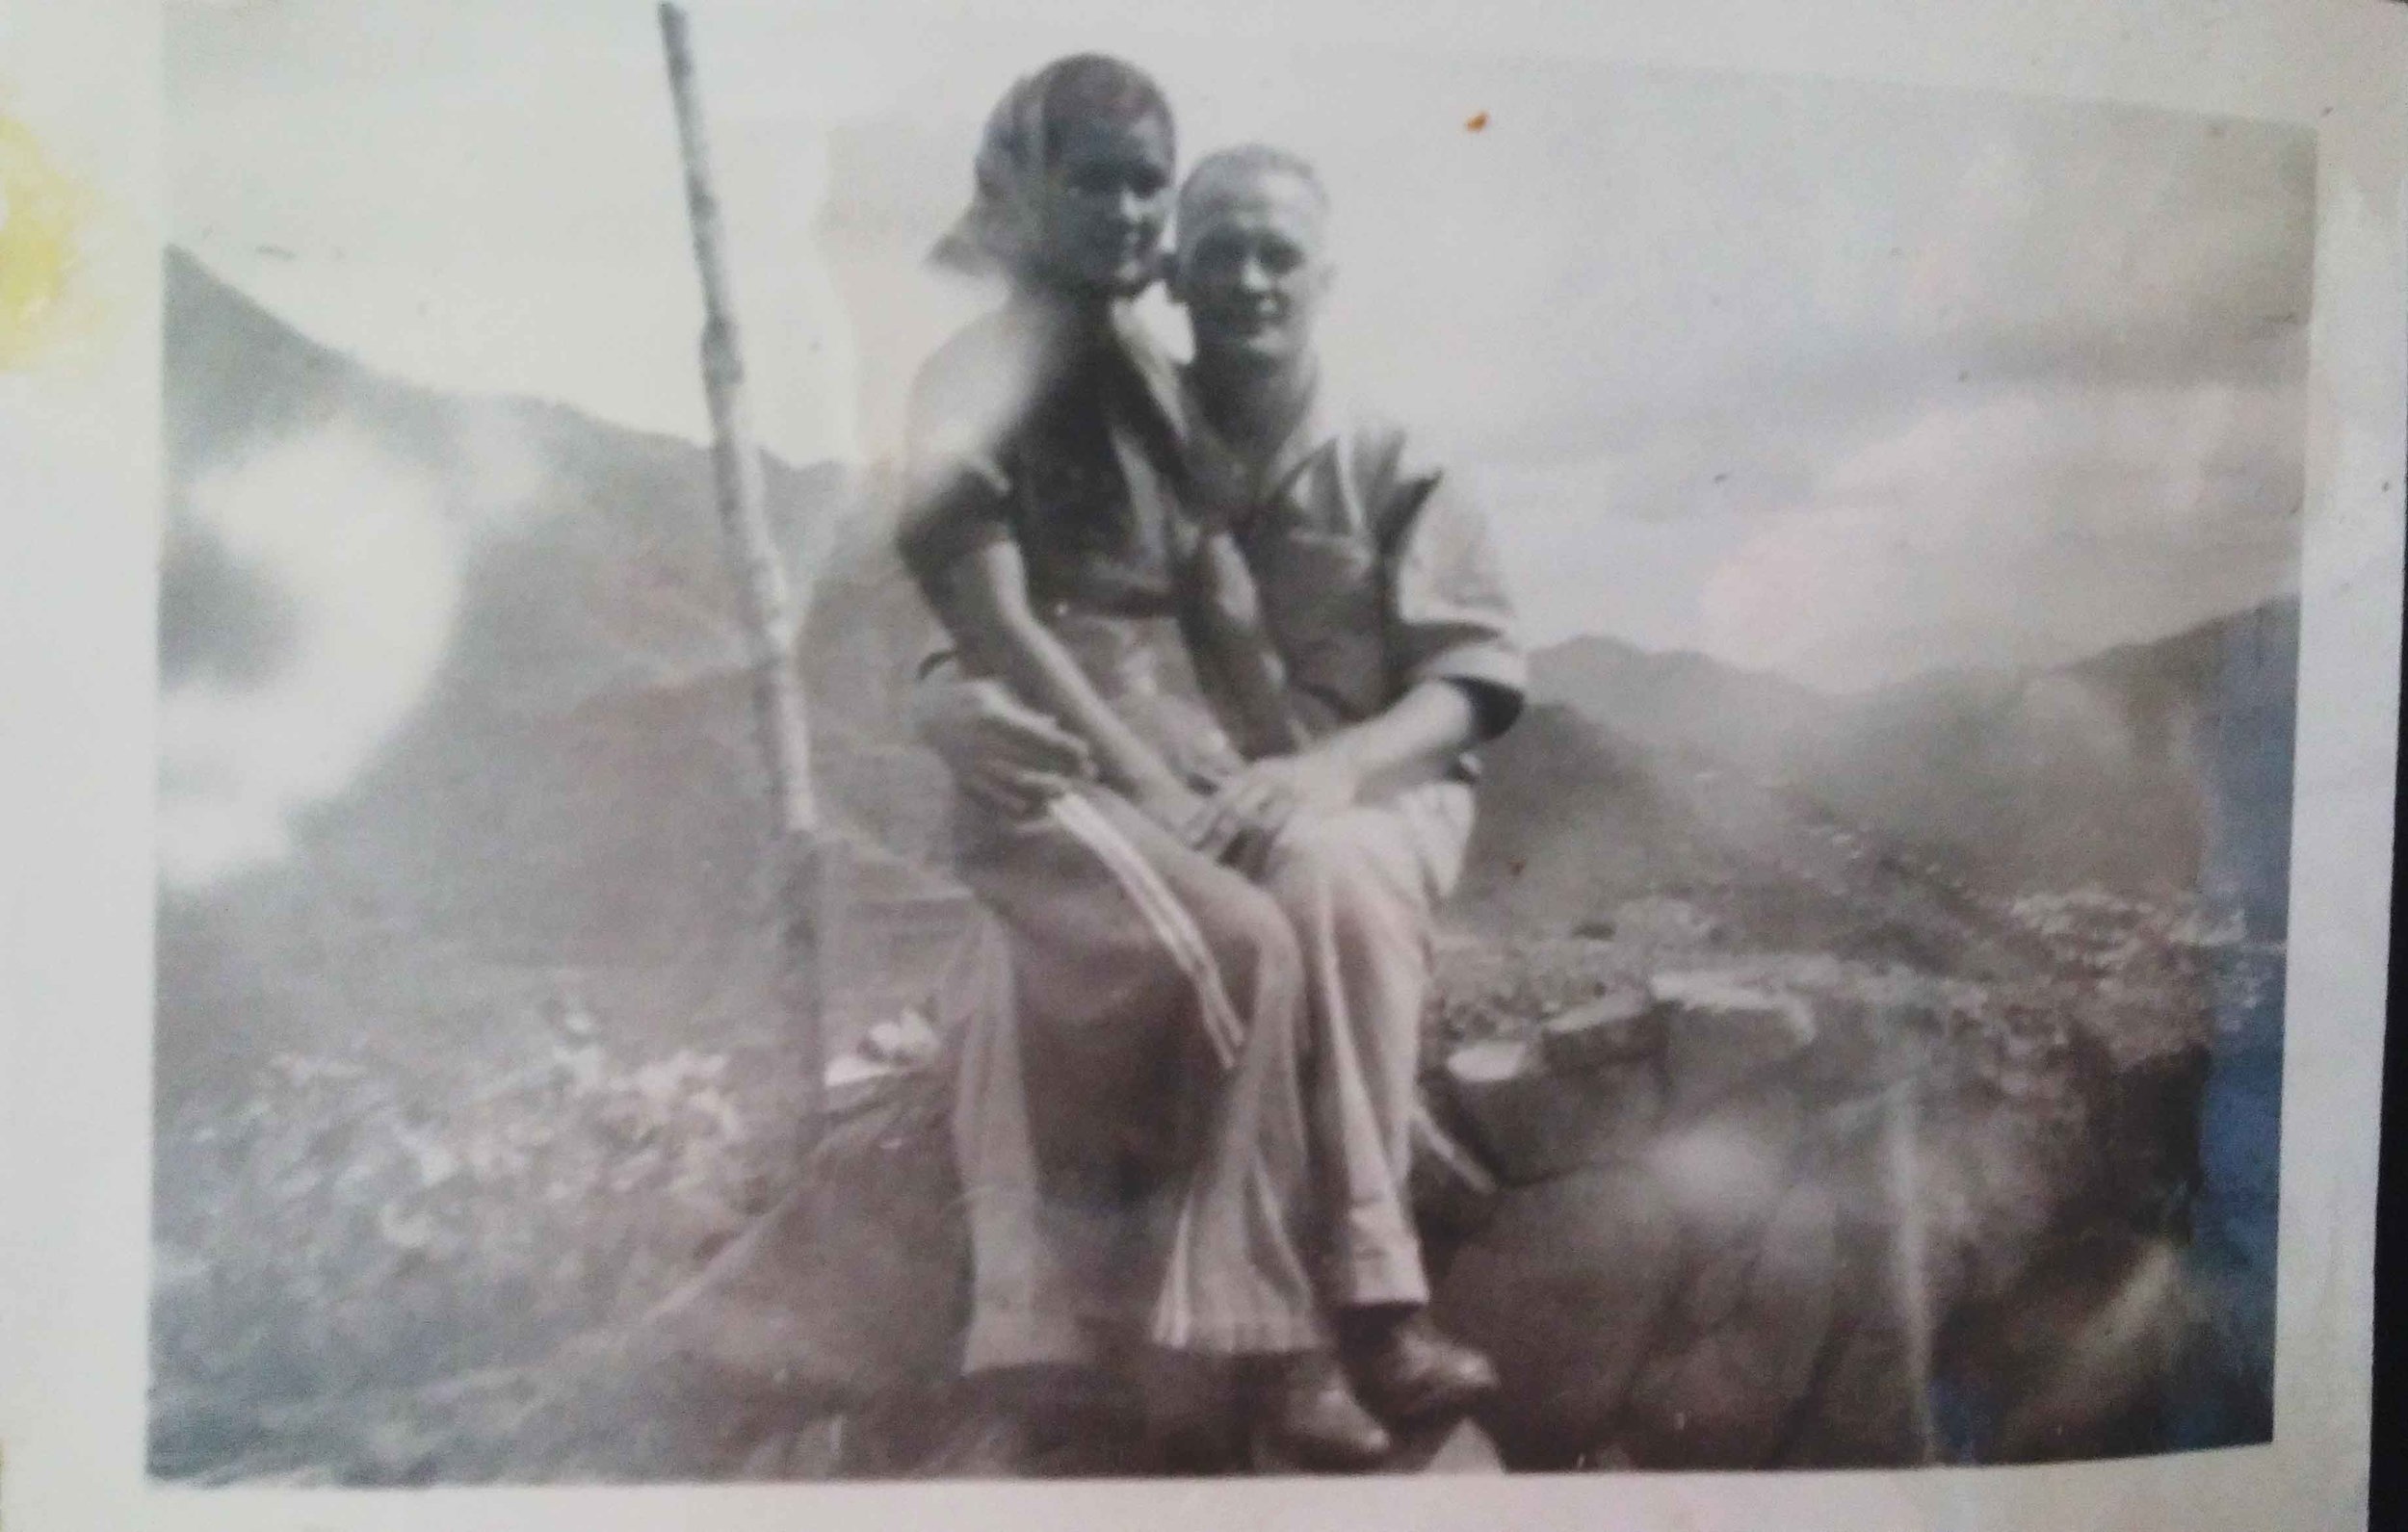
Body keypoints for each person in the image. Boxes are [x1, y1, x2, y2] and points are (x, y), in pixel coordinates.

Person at [912, 131, 1525, 1467]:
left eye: (1279, 255)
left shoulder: (1392, 452)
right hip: (1161, 783)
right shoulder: (1108, 419)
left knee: (1317, 879)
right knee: (1020, 943)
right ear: (1173, 280)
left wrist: (1328, 771)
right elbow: (992, 584)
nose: (1250, 280)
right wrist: (935, 693)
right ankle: (1041, 1341)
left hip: (1367, 784)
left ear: (1326, 278)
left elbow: (1473, 680)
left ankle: (1372, 1302)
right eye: (1220, 255)